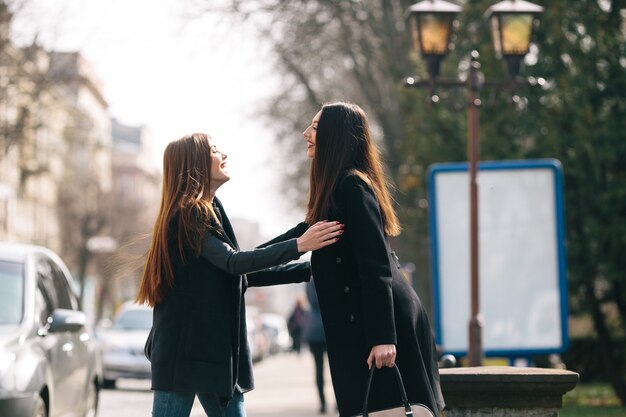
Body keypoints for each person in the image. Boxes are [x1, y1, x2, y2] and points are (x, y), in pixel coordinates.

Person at [135, 133, 343, 417]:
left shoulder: (211, 210)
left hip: (212, 354)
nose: (224, 155)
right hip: (184, 356)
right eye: (215, 150)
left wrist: (309, 264)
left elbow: (239, 272)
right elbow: (235, 263)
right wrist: (299, 245)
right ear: (194, 163)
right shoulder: (189, 214)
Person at [262, 103, 445, 417]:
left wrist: (383, 338)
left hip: (377, 328)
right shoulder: (337, 189)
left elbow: (375, 267)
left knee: (387, 410)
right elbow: (297, 238)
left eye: (316, 127)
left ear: (336, 136)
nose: (306, 133)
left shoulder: (352, 186)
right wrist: (240, 266)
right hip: (361, 324)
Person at [303, 279, 328, 414]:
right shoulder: (329, 277)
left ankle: (322, 403)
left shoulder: (310, 282)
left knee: (318, 369)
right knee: (337, 368)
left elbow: (312, 301)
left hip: (313, 328)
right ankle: (338, 402)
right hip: (329, 327)